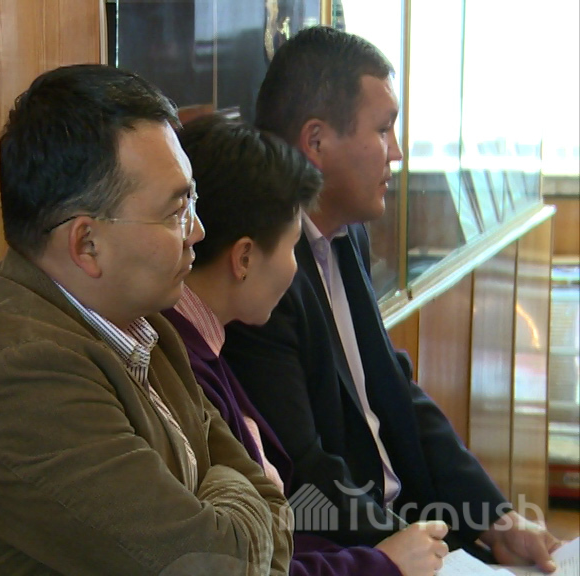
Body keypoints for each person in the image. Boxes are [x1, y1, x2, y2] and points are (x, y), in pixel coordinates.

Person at [0, 64, 292, 576]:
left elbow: (272, 504)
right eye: (176, 211)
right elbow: (222, 564)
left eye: (193, 201)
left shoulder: (143, 323)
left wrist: (227, 502)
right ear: (87, 244)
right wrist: (228, 496)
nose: (197, 230)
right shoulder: (24, 376)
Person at [220, 26, 562, 574]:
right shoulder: (260, 274)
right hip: (351, 549)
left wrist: (493, 518)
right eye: (383, 129)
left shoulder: (347, 233)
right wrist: (412, 551)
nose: (397, 152)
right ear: (316, 143)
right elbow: (303, 472)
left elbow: (393, 389)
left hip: (410, 526)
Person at [163, 113, 451, 576]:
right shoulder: (180, 364)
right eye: (292, 246)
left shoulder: (205, 346)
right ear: (244, 257)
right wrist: (380, 563)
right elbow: (250, 559)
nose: (296, 269)